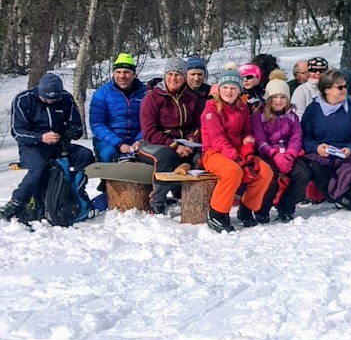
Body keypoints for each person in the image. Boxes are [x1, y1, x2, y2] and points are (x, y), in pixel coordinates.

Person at [0, 74, 96, 222]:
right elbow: (18, 131)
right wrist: (41, 137)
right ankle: (17, 202)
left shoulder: (66, 98)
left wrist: (71, 132)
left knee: (85, 155)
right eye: (46, 99)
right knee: (38, 166)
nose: (50, 102)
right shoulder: (23, 100)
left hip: (59, 144)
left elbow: (77, 126)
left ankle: (73, 193)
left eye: (54, 99)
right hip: (32, 146)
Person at [200, 69, 275, 232]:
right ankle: (217, 213)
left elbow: (246, 132)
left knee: (265, 171)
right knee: (233, 171)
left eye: (233, 88)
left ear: (239, 90)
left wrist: (248, 149)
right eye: (225, 87)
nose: (229, 91)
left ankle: (246, 208)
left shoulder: (242, 108)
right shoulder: (211, 110)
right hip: (214, 153)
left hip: (237, 152)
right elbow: (217, 140)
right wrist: (237, 159)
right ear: (219, 89)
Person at [137, 59, 203, 214]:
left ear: (184, 77)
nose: (173, 78)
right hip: (153, 143)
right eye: (170, 74)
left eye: (178, 75)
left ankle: (190, 197)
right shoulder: (153, 97)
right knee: (167, 156)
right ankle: (157, 200)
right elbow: (149, 131)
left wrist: (192, 139)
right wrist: (175, 146)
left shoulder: (191, 98)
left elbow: (197, 125)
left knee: (200, 157)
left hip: (183, 142)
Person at [301, 69, 351, 211]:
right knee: (316, 168)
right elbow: (305, 137)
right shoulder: (313, 110)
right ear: (327, 90)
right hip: (322, 155)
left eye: (345, 86)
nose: (344, 90)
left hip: (346, 153)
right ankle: (339, 198)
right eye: (340, 87)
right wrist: (317, 148)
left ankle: (349, 197)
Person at [253, 71, 311, 222]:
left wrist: (290, 154)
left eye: (282, 97)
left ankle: (286, 205)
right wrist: (274, 154)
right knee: (269, 176)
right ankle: (262, 208)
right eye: (275, 97)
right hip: (267, 154)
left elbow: (296, 137)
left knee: (303, 174)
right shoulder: (259, 115)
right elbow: (259, 140)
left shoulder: (292, 116)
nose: (278, 101)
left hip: (288, 154)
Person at [89, 52, 147, 162]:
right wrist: (119, 144)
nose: (122, 76)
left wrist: (140, 139)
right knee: (109, 154)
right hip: (108, 141)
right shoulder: (102, 94)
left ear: (134, 74)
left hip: (138, 140)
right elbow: (97, 124)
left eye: (126, 72)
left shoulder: (145, 94)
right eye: (118, 72)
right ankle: (107, 179)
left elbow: (150, 121)